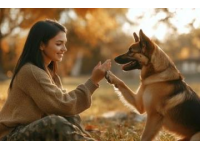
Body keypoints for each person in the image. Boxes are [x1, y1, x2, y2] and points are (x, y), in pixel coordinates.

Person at [0, 19, 111, 141]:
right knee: (54, 123)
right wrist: (92, 81)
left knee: (71, 116)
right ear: (41, 45)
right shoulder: (30, 71)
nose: (64, 49)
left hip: (29, 129)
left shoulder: (49, 73)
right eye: (59, 44)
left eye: (65, 43)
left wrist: (93, 82)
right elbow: (62, 104)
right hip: (11, 135)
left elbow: (67, 108)